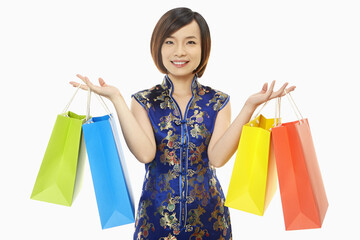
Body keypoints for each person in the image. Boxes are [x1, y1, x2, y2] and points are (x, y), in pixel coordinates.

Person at [71, 7, 295, 240]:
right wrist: (116, 98)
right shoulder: (144, 100)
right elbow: (145, 154)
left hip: (210, 219)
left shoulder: (218, 101)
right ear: (158, 47)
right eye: (169, 42)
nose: (179, 51)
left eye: (190, 42)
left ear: (203, 48)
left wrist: (249, 107)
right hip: (155, 219)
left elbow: (217, 158)